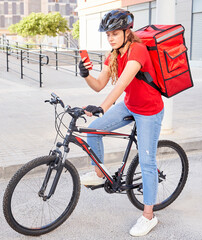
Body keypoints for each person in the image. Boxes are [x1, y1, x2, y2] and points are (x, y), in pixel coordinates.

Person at [78, 9, 164, 237]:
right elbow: (99, 85)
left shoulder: (138, 50)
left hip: (149, 111)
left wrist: (102, 107)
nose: (111, 38)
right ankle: (99, 174)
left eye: (115, 33)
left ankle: (148, 216)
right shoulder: (113, 55)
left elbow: (121, 84)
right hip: (130, 106)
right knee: (93, 130)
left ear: (128, 32)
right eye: (108, 34)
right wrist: (86, 74)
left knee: (146, 162)